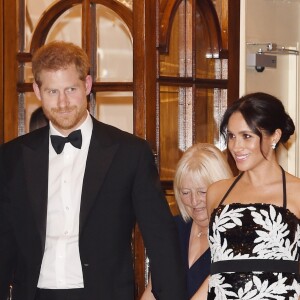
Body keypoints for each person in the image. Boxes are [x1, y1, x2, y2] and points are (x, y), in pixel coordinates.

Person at [0, 41, 187, 300]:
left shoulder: (130, 152)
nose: (63, 102)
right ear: (37, 91)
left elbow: (160, 237)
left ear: (87, 85)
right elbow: (4, 239)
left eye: (71, 89)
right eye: (52, 91)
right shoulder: (12, 157)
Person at [206, 92, 300, 299]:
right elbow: (218, 269)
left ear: (274, 136)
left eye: (246, 136)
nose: (236, 146)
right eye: (231, 136)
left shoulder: (297, 193)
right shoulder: (216, 193)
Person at [141, 143, 233, 300]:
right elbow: (153, 290)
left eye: (202, 192)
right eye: (185, 192)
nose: (194, 201)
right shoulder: (173, 229)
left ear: (222, 188)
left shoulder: (234, 236)